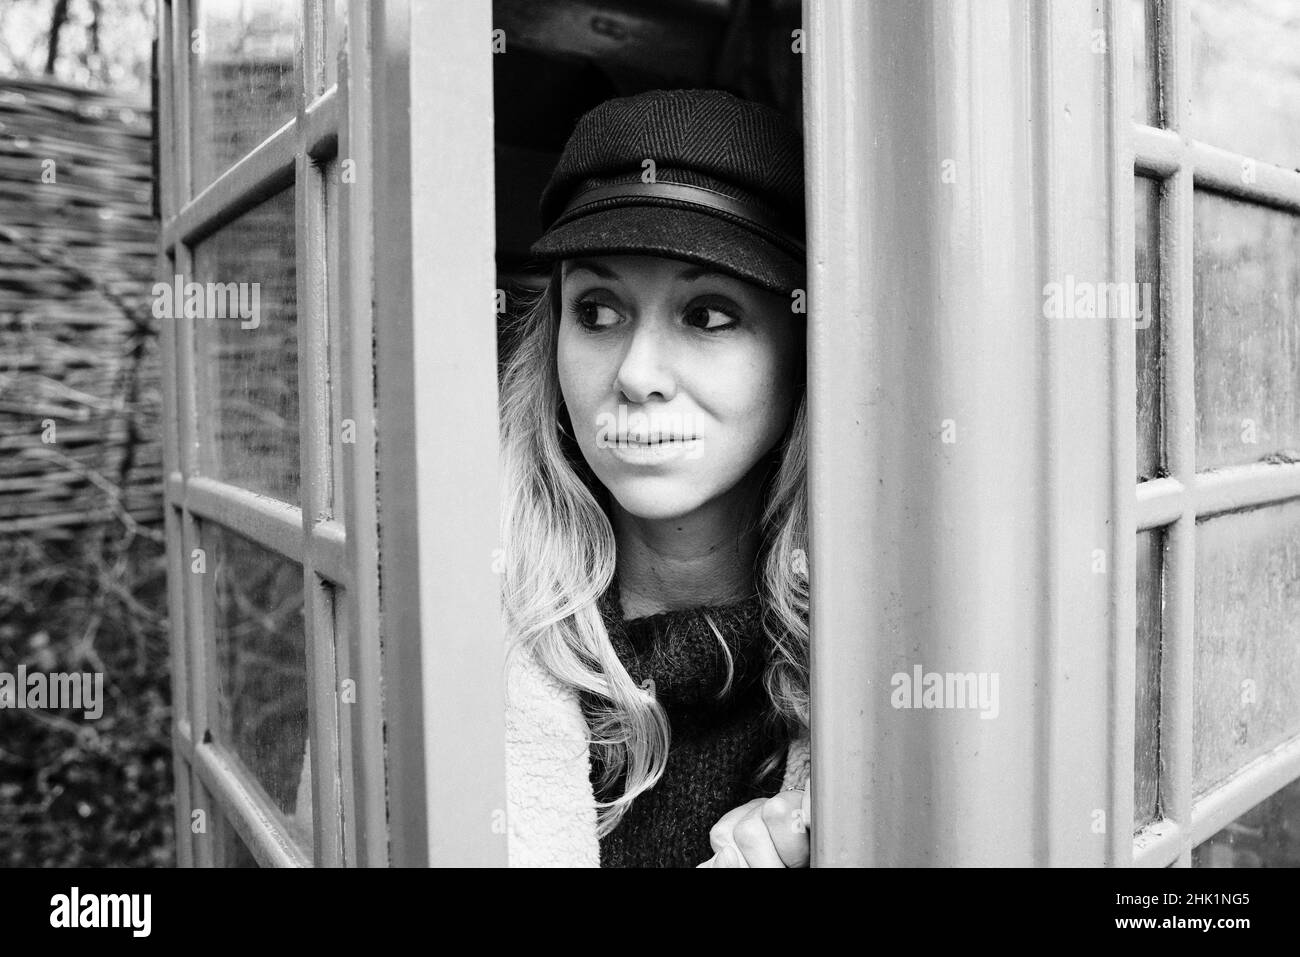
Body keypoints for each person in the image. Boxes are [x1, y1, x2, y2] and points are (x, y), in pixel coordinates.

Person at [499, 88, 811, 868]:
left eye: (707, 315)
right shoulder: (455, 632)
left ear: (803, 346)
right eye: (598, 310)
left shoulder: (879, 665)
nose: (637, 374)